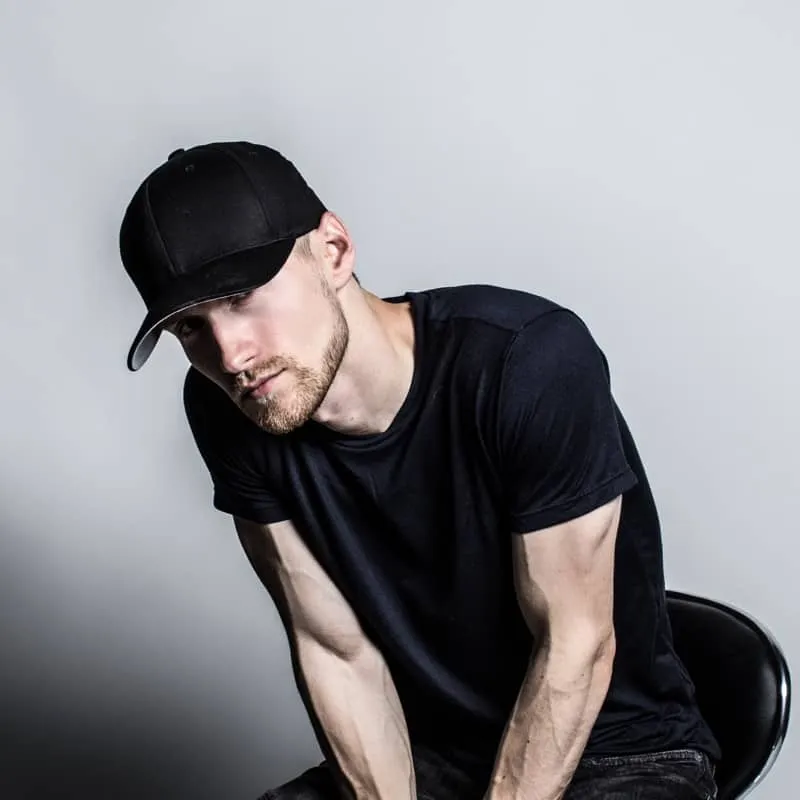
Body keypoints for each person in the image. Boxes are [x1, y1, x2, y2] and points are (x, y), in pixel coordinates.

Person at [118, 141, 721, 800]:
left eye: (243, 298)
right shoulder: (230, 411)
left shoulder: (528, 362)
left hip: (621, 757)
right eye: (190, 329)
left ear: (335, 251)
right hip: (437, 758)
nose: (231, 355)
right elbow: (335, 650)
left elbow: (575, 646)